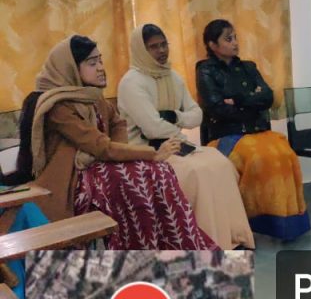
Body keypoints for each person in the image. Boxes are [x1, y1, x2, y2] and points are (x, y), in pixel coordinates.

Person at [22, 35, 218, 250]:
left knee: (159, 171)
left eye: (100, 60)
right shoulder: (58, 107)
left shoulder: (92, 97)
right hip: (72, 181)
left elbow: (118, 124)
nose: (101, 68)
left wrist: (119, 156)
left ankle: (173, 245)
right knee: (132, 179)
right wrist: (152, 153)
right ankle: (137, 249)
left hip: (99, 166)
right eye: (92, 63)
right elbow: (100, 146)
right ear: (71, 69)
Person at [117, 24, 255, 250]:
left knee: (220, 163)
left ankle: (231, 236)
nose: (162, 51)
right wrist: (179, 132)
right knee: (197, 172)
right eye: (154, 47)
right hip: (146, 152)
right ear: (141, 50)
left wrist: (175, 116)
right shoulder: (131, 82)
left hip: (175, 144)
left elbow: (197, 115)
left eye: (164, 44)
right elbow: (152, 128)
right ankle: (202, 242)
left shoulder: (173, 76)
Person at [196, 19, 311, 241]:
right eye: (228, 39)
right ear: (213, 45)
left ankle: (286, 223)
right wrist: (251, 104)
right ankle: (253, 220)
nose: (235, 42)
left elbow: (268, 97)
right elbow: (216, 108)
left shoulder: (248, 67)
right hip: (227, 134)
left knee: (285, 154)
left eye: (235, 37)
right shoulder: (206, 70)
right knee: (259, 159)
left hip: (257, 131)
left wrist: (238, 100)